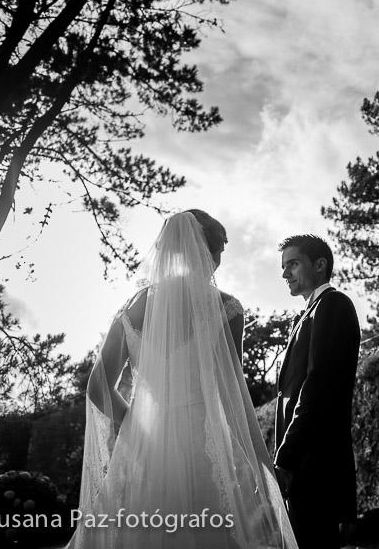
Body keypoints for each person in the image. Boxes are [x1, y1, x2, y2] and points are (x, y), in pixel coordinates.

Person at [68, 210, 297, 549]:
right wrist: (259, 465)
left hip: (142, 453)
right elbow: (233, 397)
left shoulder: (131, 310)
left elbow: (98, 388)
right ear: (204, 251)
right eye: (218, 252)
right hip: (199, 448)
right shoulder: (227, 308)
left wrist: (136, 425)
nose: (218, 262)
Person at [274, 234, 361, 549]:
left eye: (293, 264)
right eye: (284, 267)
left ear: (320, 265)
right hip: (304, 468)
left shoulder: (334, 305)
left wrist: (286, 457)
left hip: (317, 466)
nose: (285, 274)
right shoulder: (306, 315)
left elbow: (317, 387)